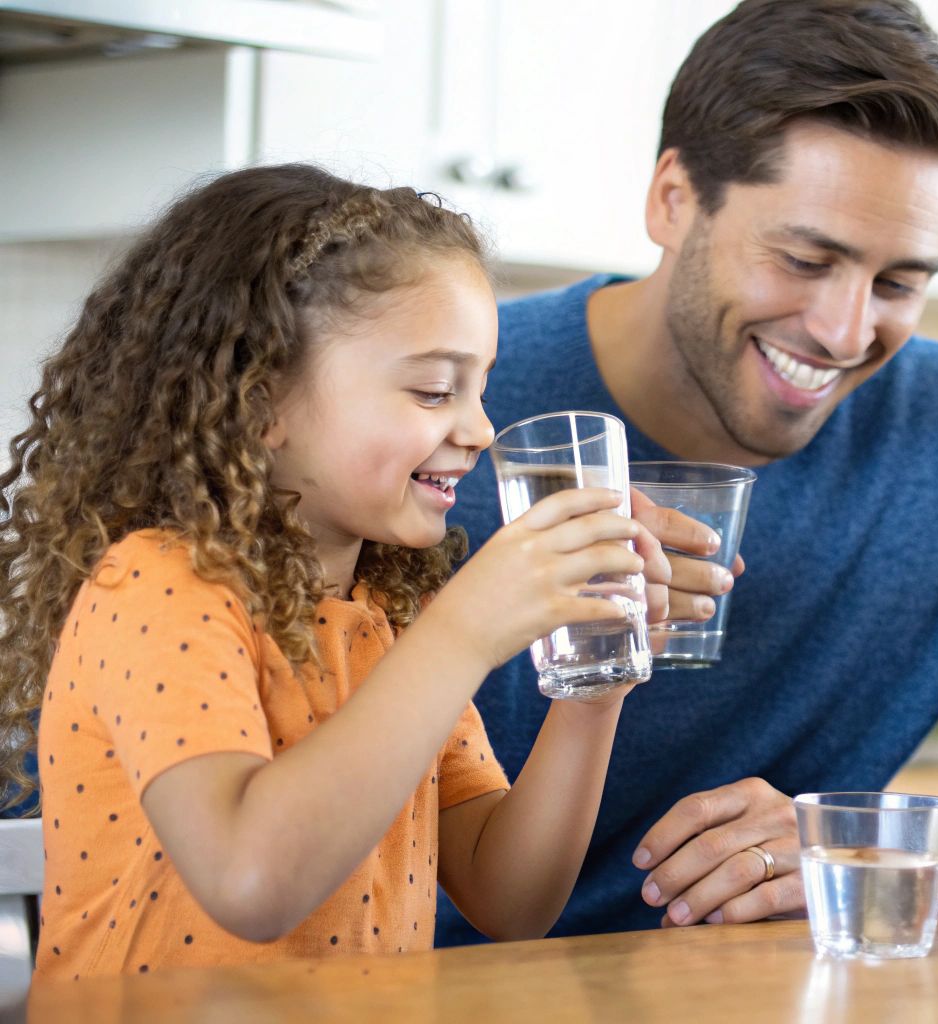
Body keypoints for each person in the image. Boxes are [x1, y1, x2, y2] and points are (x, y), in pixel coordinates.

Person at [439, 0, 938, 944]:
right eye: (805, 258)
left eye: (899, 283)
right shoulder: (447, 406)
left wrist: (888, 848)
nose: (846, 333)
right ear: (673, 199)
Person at [0, 164, 724, 979]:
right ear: (262, 401)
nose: (480, 429)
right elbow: (249, 881)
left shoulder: (388, 615)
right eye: (434, 390)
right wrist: (465, 631)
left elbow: (510, 898)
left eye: (480, 389)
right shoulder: (157, 586)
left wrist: (596, 677)